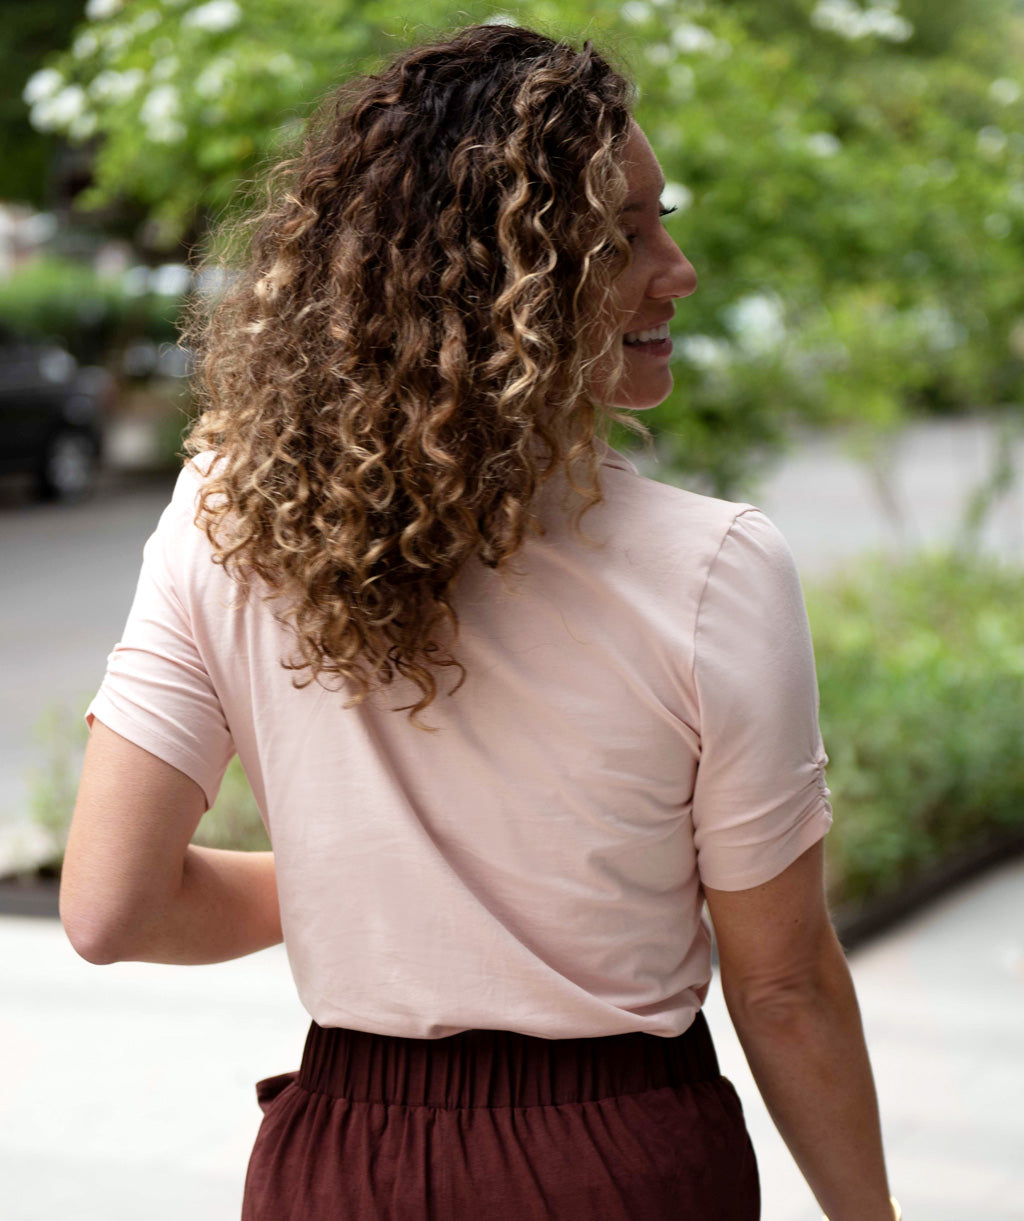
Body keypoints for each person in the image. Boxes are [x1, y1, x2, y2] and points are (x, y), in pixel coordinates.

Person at [60, 22, 898, 1221]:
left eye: (666, 217)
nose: (678, 267)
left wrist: (372, 885)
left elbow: (107, 908)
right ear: (493, 283)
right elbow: (782, 991)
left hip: (338, 1165)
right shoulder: (713, 567)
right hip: (617, 1160)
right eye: (620, 236)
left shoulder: (223, 514)